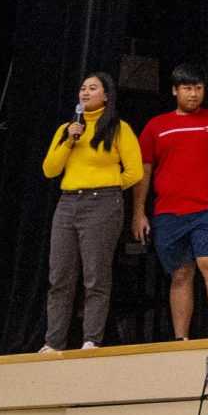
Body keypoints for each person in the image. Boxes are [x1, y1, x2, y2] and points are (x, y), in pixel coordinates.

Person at [133, 66, 208, 339]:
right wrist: (138, 212)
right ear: (174, 90)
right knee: (181, 274)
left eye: (198, 88)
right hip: (168, 212)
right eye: (187, 88)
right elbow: (143, 171)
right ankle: (181, 341)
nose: (193, 94)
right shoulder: (156, 126)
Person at [40, 71, 144, 352]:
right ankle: (53, 342)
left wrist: (109, 185)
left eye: (93, 88)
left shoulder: (118, 128)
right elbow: (50, 169)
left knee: (95, 275)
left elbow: (134, 171)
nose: (85, 93)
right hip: (68, 203)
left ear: (106, 96)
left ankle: (91, 339)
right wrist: (69, 141)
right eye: (83, 88)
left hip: (103, 202)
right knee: (60, 276)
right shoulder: (67, 129)